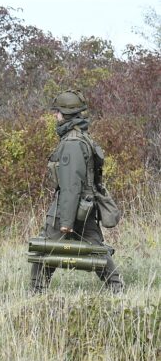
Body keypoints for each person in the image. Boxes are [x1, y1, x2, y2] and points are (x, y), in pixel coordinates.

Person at [30, 89, 124, 293]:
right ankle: (117, 288)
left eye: (57, 112)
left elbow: (71, 185)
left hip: (71, 207)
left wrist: (66, 222)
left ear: (64, 114)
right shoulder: (80, 136)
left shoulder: (72, 142)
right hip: (85, 206)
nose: (55, 116)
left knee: (43, 246)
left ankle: (35, 293)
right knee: (95, 248)